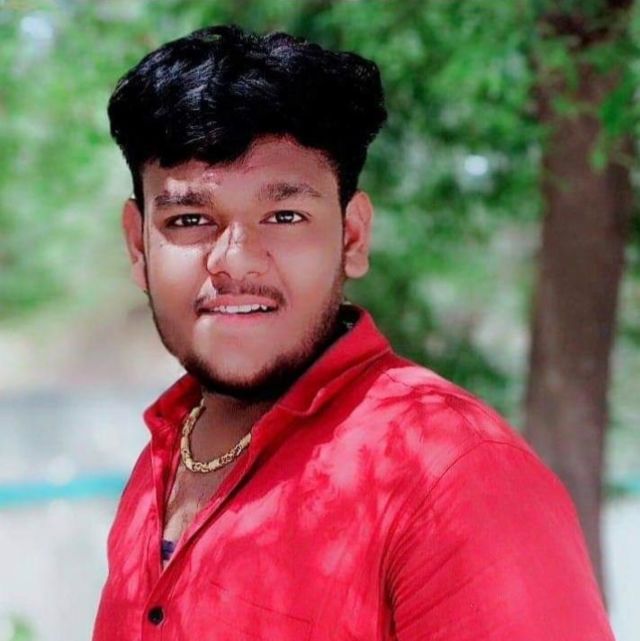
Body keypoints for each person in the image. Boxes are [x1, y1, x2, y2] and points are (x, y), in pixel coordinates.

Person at [92, 24, 615, 641]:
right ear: (138, 246)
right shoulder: (162, 458)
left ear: (353, 236)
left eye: (285, 215)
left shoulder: (452, 472)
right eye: (189, 219)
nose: (235, 260)